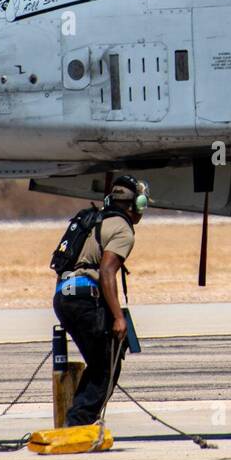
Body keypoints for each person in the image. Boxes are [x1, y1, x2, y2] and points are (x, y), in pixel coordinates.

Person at [52, 175, 146, 426]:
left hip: (63, 297)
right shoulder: (123, 229)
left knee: (97, 364)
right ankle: (78, 423)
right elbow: (106, 272)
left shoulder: (91, 220)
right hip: (85, 299)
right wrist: (117, 317)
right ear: (136, 204)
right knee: (105, 368)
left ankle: (76, 419)